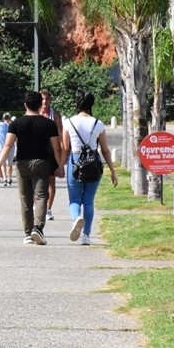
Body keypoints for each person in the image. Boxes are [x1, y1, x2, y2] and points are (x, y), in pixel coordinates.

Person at [0, 91, 63, 244]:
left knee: (25, 199)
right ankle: (38, 228)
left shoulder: (15, 123)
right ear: (40, 105)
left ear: (25, 105)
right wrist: (60, 166)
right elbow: (57, 148)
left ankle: (27, 232)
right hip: (42, 162)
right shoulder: (49, 124)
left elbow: (8, 145)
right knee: (41, 197)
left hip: (22, 163)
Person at [63, 92, 118, 245]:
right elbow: (106, 150)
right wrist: (113, 172)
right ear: (91, 104)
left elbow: (65, 149)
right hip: (94, 164)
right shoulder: (98, 124)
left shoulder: (69, 122)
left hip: (75, 162)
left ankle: (76, 219)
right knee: (88, 200)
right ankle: (86, 236)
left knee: (74, 199)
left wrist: (60, 166)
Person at [39, 89, 65, 220]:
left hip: (51, 151)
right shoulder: (36, 112)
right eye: (42, 99)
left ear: (50, 100)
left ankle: (48, 209)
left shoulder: (55, 115)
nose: (45, 101)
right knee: (37, 181)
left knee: (50, 182)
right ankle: (38, 207)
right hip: (38, 150)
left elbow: (61, 135)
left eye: (47, 99)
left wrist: (61, 159)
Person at [0, 113, 14, 186]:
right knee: (6, 164)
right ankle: (7, 178)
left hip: (6, 147)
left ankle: (7, 178)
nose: (6, 119)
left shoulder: (10, 126)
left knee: (6, 164)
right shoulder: (1, 125)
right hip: (6, 147)